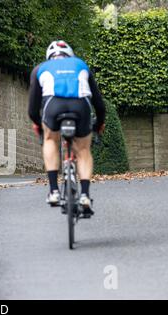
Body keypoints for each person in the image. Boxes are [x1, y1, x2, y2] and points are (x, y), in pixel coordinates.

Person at [28, 40, 106, 212]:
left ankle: (54, 191)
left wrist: (38, 126)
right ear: (70, 55)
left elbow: (33, 108)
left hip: (53, 106)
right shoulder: (81, 65)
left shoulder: (40, 68)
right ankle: (85, 195)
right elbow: (98, 103)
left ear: (49, 57)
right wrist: (100, 123)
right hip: (81, 106)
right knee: (83, 150)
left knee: (50, 140)